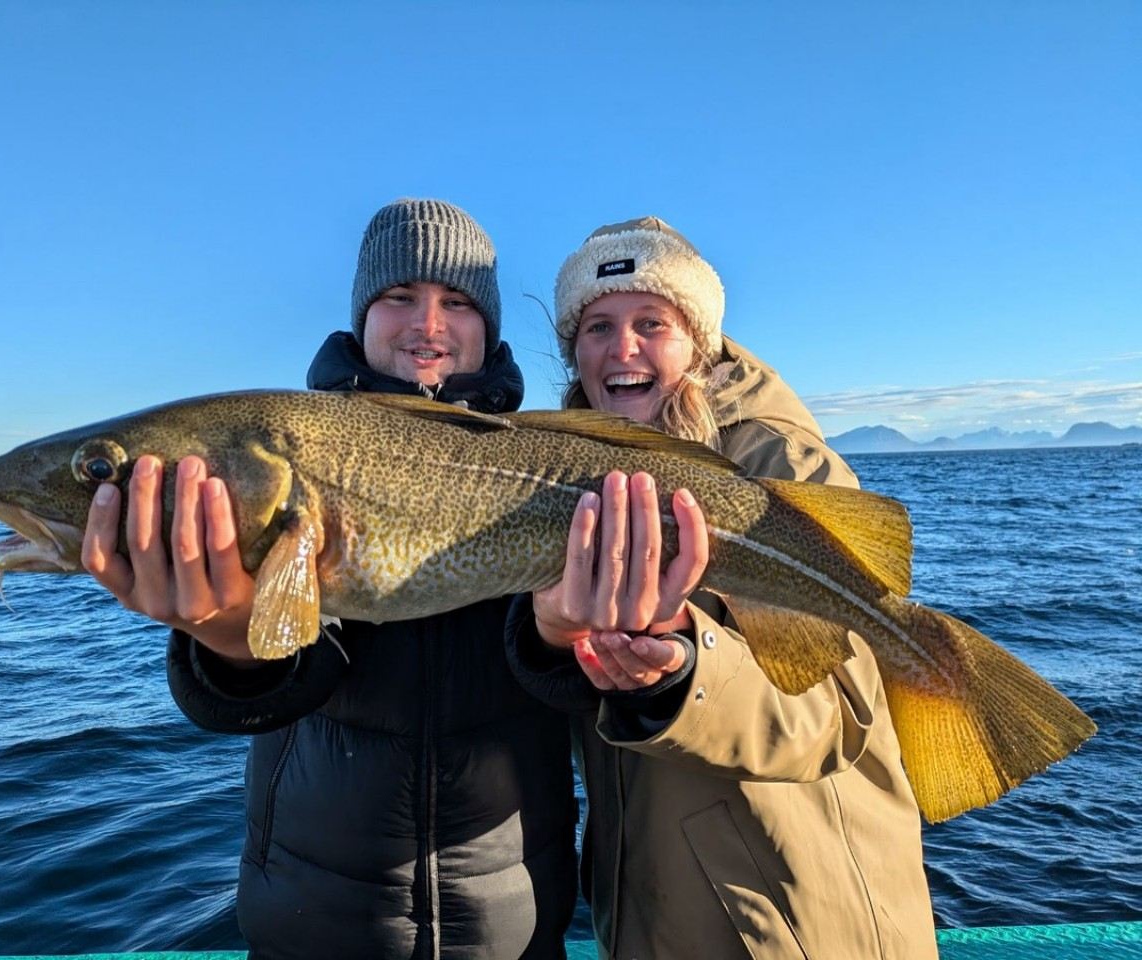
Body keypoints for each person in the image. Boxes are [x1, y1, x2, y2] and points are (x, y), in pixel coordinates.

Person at [82, 199, 578, 960]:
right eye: (399, 296)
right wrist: (227, 640)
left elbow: (586, 699)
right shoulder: (291, 452)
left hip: (514, 922)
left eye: (457, 302)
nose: (429, 324)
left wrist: (582, 641)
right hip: (314, 919)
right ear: (361, 315)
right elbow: (279, 678)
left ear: (489, 326)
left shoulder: (552, 469)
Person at [505, 217, 938, 959]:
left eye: (652, 323)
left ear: (699, 343)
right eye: (598, 327)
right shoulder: (563, 474)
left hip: (800, 924)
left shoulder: (781, 464)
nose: (623, 348)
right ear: (574, 351)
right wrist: (548, 638)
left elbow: (836, 712)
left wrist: (687, 667)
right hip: (650, 913)